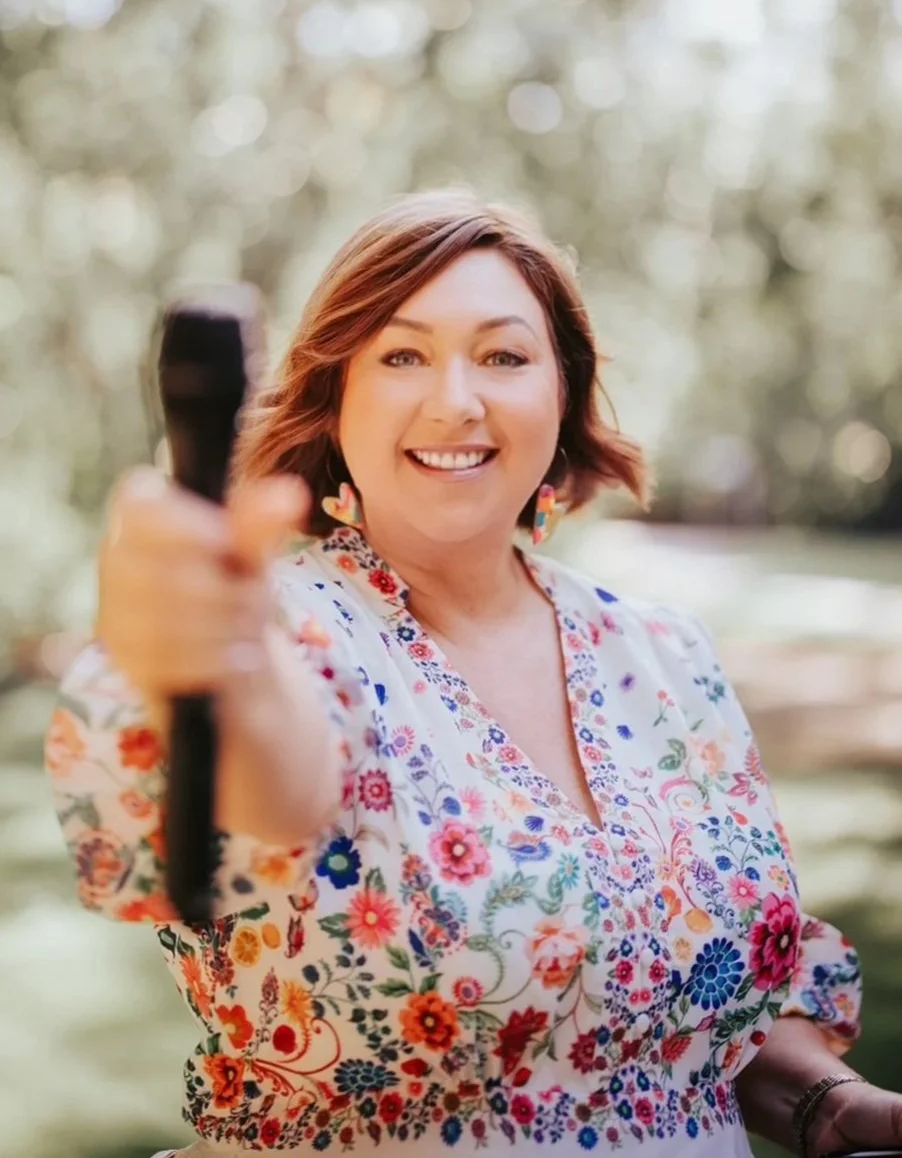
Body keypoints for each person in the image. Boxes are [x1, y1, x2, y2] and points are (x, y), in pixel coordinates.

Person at [46, 190, 899, 1158]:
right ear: (337, 398)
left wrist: (823, 1102)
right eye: (401, 355)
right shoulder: (286, 630)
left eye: (502, 355)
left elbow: (695, 1003)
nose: (456, 400)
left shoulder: (662, 653)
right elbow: (272, 785)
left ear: (563, 393)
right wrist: (215, 657)